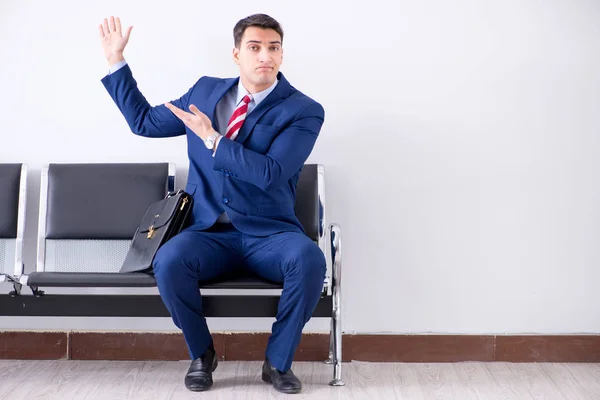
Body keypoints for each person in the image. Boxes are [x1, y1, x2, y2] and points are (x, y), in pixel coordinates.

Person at [98, 13, 326, 394]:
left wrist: (213, 140)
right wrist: (115, 62)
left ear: (282, 55)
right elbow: (143, 122)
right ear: (237, 54)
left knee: (309, 260)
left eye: (273, 48)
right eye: (254, 48)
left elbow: (270, 172)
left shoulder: (303, 110)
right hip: (208, 231)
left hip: (270, 235)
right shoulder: (204, 92)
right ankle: (202, 354)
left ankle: (278, 362)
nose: (264, 56)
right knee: (169, 260)